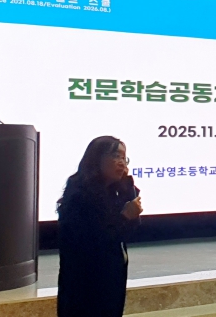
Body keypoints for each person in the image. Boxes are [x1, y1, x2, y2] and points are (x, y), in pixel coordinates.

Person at [56, 136, 143, 317]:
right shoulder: (80, 194)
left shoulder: (112, 192)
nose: (121, 163)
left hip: (111, 281)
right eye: (116, 156)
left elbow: (128, 232)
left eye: (124, 158)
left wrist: (128, 187)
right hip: (86, 286)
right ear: (97, 158)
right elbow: (94, 240)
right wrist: (125, 216)